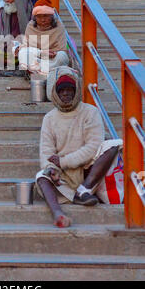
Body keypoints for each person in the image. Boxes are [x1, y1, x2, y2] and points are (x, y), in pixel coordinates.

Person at [35, 66, 123, 228]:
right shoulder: (49, 118)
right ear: (56, 93)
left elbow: (93, 146)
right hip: (63, 177)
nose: (66, 94)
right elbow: (46, 152)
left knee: (114, 144)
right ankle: (58, 214)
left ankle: (84, 191)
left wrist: (64, 161)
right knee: (41, 175)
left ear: (76, 92)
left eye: (70, 90)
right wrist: (51, 169)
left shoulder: (91, 112)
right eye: (62, 91)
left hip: (89, 171)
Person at [0, 0, 33, 77]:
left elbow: (34, 39)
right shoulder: (5, 13)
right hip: (6, 50)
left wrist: (19, 45)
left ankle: (11, 64)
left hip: (22, 50)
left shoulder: (32, 14)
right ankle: (9, 63)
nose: (7, 1)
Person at [18, 0, 69, 76]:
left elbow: (62, 49)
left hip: (52, 59)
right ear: (35, 17)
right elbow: (27, 46)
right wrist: (41, 53)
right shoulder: (30, 26)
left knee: (62, 56)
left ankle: (40, 72)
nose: (43, 20)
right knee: (23, 53)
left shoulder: (59, 26)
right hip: (38, 57)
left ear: (51, 16)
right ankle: (46, 72)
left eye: (45, 16)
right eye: (39, 16)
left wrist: (52, 53)